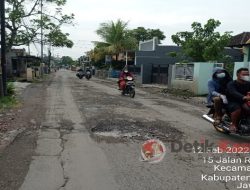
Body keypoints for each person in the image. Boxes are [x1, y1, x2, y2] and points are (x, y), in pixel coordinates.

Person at [226, 68, 250, 133]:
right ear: (238, 75)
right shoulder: (231, 84)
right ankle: (233, 124)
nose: (246, 75)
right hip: (232, 101)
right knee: (237, 109)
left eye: (247, 74)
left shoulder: (248, 83)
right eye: (244, 74)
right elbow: (233, 92)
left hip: (244, 101)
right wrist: (243, 97)